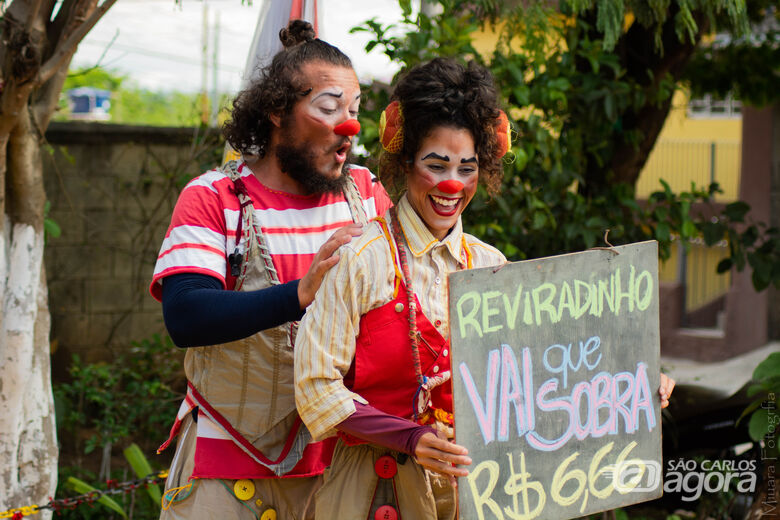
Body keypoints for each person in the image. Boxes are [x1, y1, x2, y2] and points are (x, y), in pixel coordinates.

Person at [294, 57, 676, 519]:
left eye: (467, 168)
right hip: (373, 489)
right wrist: (409, 437)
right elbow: (316, 390)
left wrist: (631, 385)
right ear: (405, 160)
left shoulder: (492, 267)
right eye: (436, 165)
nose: (452, 184)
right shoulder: (360, 259)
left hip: (473, 490)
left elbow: (542, 378)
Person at [149, 20, 392, 520]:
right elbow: (186, 315)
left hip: (340, 465)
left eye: (354, 110)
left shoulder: (367, 195)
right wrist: (299, 293)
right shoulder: (213, 196)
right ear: (277, 112)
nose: (348, 126)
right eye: (328, 108)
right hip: (225, 467)